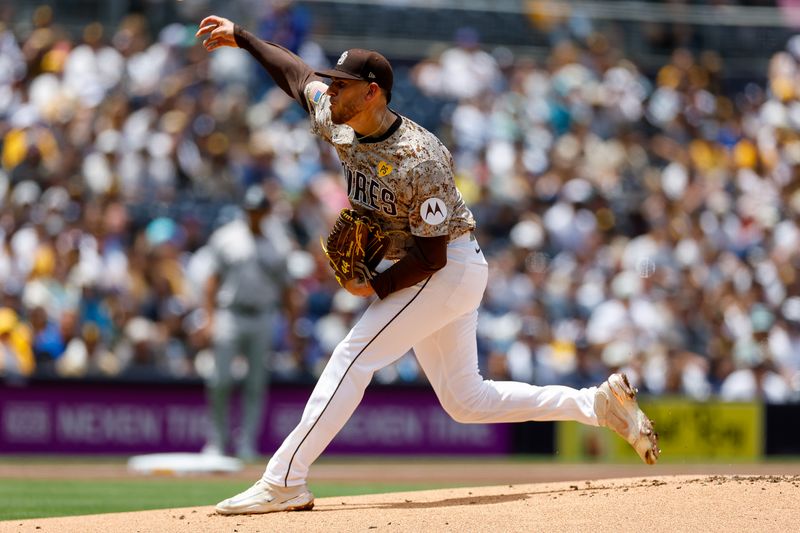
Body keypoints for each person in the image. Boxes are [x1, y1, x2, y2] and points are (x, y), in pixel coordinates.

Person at [195, 16, 659, 515]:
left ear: (372, 93)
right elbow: (295, 74)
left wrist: (375, 289)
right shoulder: (337, 117)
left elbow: (432, 255)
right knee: (466, 401)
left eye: (342, 84)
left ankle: (285, 479)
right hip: (435, 267)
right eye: (332, 82)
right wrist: (243, 37)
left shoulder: (420, 156)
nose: (329, 90)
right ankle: (597, 404)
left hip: (446, 265)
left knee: (354, 357)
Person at [201, 184, 292, 460]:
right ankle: (217, 442)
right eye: (250, 210)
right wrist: (208, 318)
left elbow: (287, 289)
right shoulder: (227, 237)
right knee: (220, 380)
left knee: (255, 384)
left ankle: (246, 443)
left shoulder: (278, 243)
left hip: (263, 314)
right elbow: (211, 281)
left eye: (259, 210)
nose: (254, 215)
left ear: (266, 212)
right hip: (230, 313)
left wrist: (291, 325)